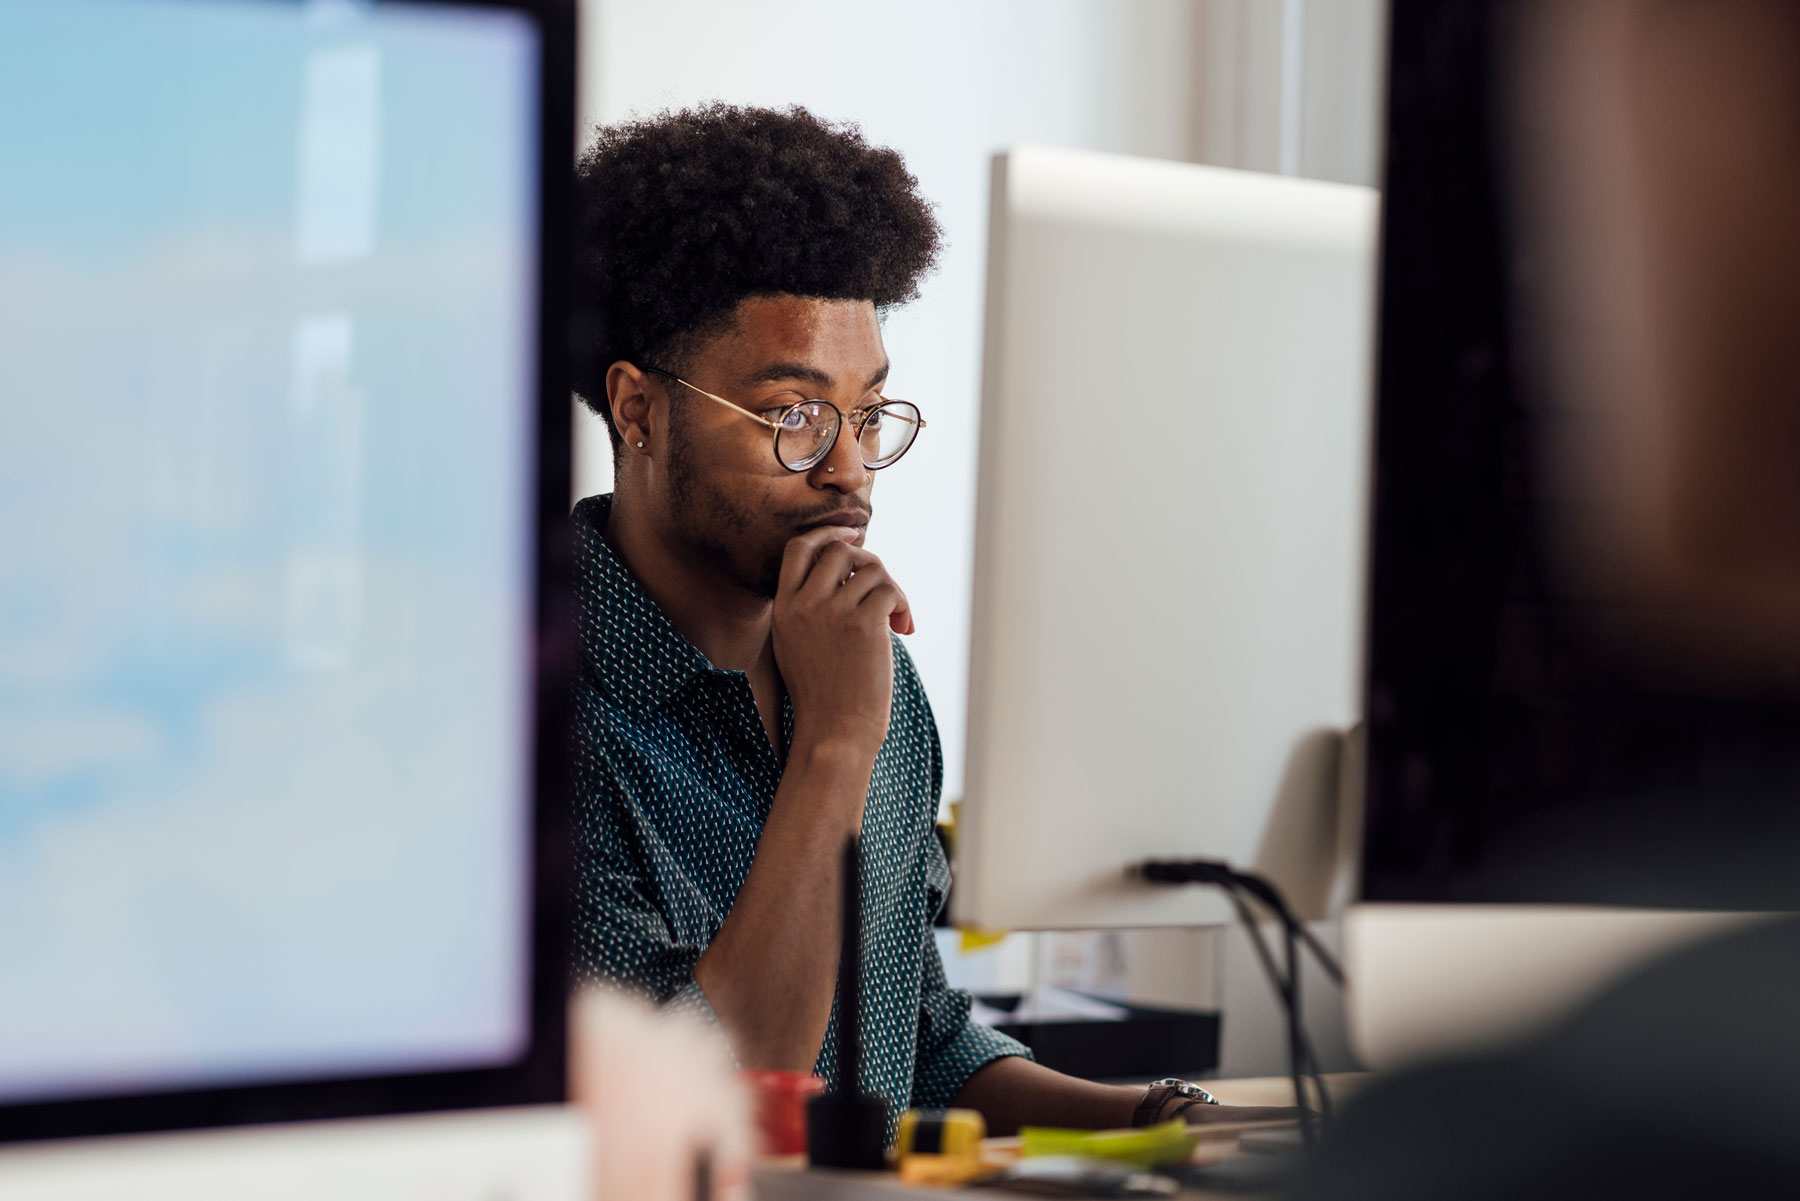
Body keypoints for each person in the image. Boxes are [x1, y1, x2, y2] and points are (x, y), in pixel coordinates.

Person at [567, 102, 1288, 1137]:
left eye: (867, 414)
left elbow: (917, 1034)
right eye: (795, 417)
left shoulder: (865, 669)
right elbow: (706, 1110)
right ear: (638, 409)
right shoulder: (536, 703)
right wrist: (835, 747)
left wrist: (1170, 1120)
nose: (850, 470)